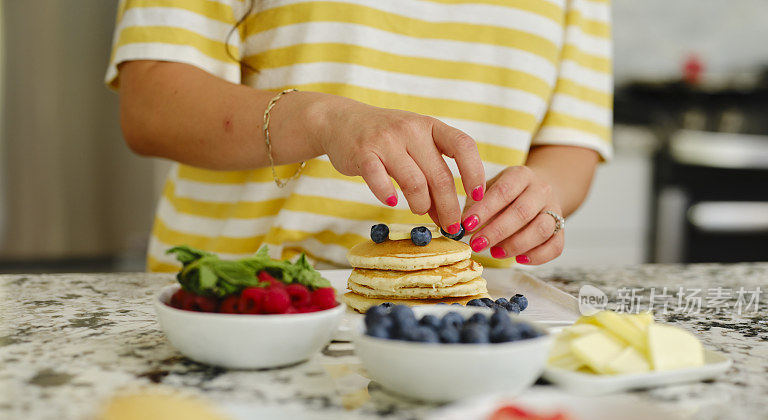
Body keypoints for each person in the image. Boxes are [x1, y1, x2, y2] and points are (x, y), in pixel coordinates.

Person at [107, 0, 611, 271]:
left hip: (464, 315)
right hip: (239, 305)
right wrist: (324, 120)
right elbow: (151, 105)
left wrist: (539, 194)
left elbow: (572, 142)